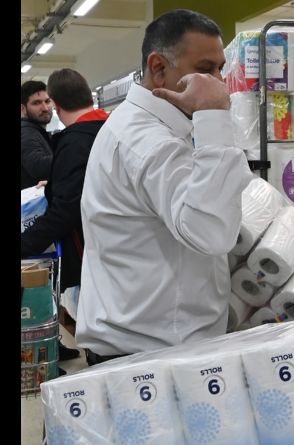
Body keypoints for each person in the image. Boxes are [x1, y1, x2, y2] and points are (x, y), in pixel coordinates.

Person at [76, 9, 251, 365]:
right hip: (150, 358)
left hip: (154, 348)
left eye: (221, 69)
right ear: (158, 68)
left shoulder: (156, 129)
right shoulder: (149, 142)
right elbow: (211, 231)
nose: (220, 84)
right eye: (205, 69)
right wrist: (214, 114)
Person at [22, 69, 107, 363]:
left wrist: (26, 242)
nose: (44, 107)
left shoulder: (75, 141)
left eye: (47, 101)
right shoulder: (113, 128)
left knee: (103, 338)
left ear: (56, 104)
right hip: (127, 254)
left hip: (94, 256)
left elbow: (65, 210)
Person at [21, 80, 53, 189]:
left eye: (47, 101)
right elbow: (39, 168)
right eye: (36, 103)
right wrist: (71, 154)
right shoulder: (26, 132)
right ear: (23, 108)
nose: (45, 108)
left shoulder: (37, 131)